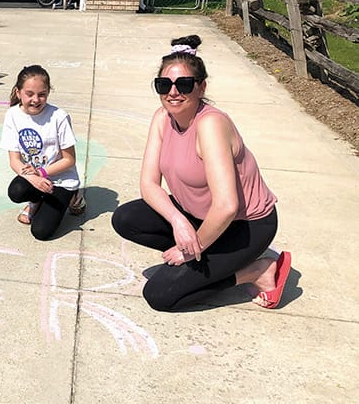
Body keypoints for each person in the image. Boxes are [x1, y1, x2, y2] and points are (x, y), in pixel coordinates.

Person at [111, 35, 291, 311]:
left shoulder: (210, 125)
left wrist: (188, 251)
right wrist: (178, 223)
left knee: (160, 295)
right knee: (126, 218)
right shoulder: (162, 118)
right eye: (164, 85)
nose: (173, 92)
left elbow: (227, 206)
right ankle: (209, 254)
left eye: (184, 84)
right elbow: (148, 184)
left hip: (245, 226)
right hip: (197, 216)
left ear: (201, 87)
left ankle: (257, 271)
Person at [0, 64, 85, 241]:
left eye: (42, 94)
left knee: (41, 232)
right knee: (16, 191)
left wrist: (41, 173)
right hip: (35, 176)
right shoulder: (12, 115)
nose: (36, 100)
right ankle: (36, 199)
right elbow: (14, 160)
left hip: (61, 180)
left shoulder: (59, 117)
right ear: (18, 92)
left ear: (48, 93)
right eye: (29, 94)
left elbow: (69, 160)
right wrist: (34, 178)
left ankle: (73, 196)